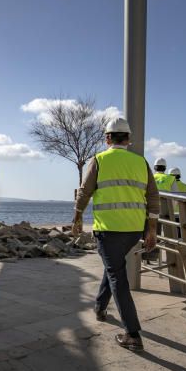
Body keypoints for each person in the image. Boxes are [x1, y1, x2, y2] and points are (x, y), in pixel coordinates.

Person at [73, 118, 158, 351]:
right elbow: (153, 197)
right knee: (114, 268)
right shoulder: (141, 162)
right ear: (128, 139)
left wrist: (77, 216)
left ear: (107, 138)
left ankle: (133, 334)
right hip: (133, 230)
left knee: (117, 277)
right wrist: (151, 229)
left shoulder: (99, 160)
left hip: (108, 230)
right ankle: (100, 307)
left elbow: (85, 191)